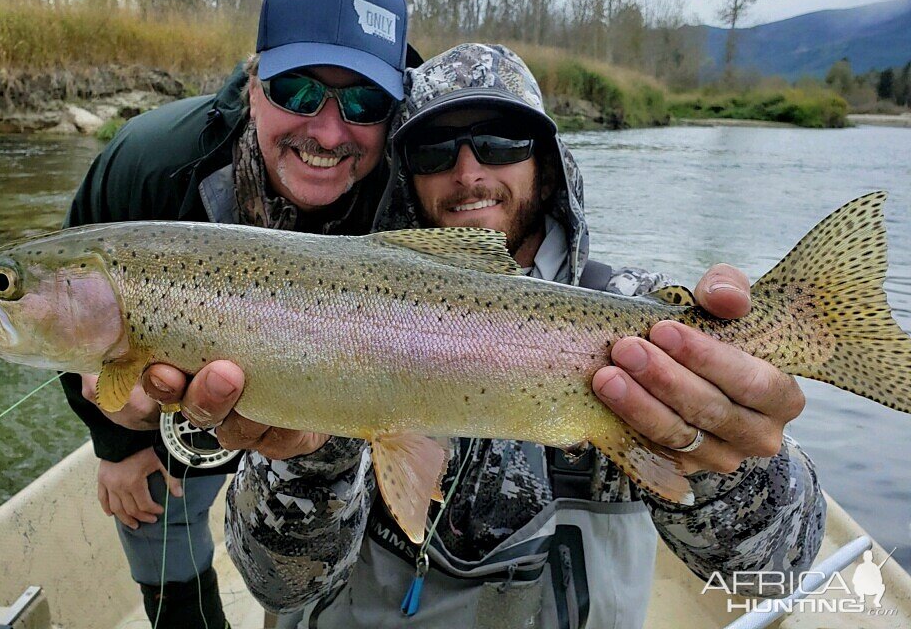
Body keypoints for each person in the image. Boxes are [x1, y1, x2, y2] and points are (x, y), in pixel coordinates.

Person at [144, 43, 826, 628]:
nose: (469, 171)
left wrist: (720, 460)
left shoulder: (642, 317)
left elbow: (776, 566)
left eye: (501, 142)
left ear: (548, 162)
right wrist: (311, 454)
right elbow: (278, 586)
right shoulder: (325, 313)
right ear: (406, 175)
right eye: (438, 149)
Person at [59, 0, 415, 628]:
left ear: (392, 108)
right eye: (298, 93)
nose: (329, 132)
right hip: (176, 400)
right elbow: (67, 304)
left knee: (307, 564)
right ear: (254, 83)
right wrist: (113, 440)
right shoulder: (152, 162)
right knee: (150, 505)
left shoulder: (415, 179)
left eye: (364, 103)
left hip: (336, 402)